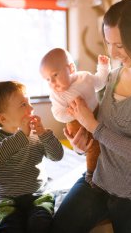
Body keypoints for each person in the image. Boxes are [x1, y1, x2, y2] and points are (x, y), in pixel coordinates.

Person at [51, 0, 131, 233]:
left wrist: (92, 125)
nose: (112, 53)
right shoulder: (113, 76)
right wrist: (81, 143)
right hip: (99, 178)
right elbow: (99, 131)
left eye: (120, 45)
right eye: (108, 43)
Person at [0, 81, 64, 233]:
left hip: (38, 196)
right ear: (2, 118)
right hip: (6, 201)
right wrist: (22, 135)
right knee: (9, 227)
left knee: (41, 225)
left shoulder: (38, 135)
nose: (31, 108)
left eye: (29, 102)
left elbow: (57, 156)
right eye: (23, 105)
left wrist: (45, 134)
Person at [39, 47, 110, 185]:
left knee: (104, 142)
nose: (52, 83)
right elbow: (58, 113)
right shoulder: (57, 94)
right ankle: (91, 174)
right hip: (77, 124)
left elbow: (100, 83)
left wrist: (103, 67)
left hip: (96, 114)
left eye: (55, 75)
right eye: (47, 79)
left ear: (71, 68)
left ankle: (107, 170)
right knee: (92, 147)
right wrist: (74, 113)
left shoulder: (85, 78)